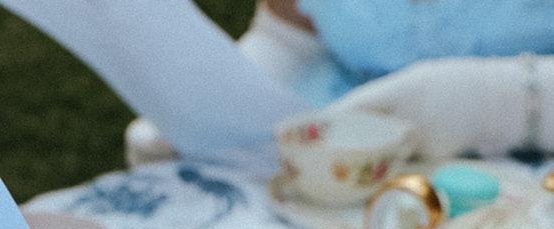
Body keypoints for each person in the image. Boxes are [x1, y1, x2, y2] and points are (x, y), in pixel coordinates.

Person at [126, 1, 554, 165]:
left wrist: (498, 102)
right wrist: (215, 106)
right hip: (340, 184)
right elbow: (289, 34)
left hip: (525, 207)